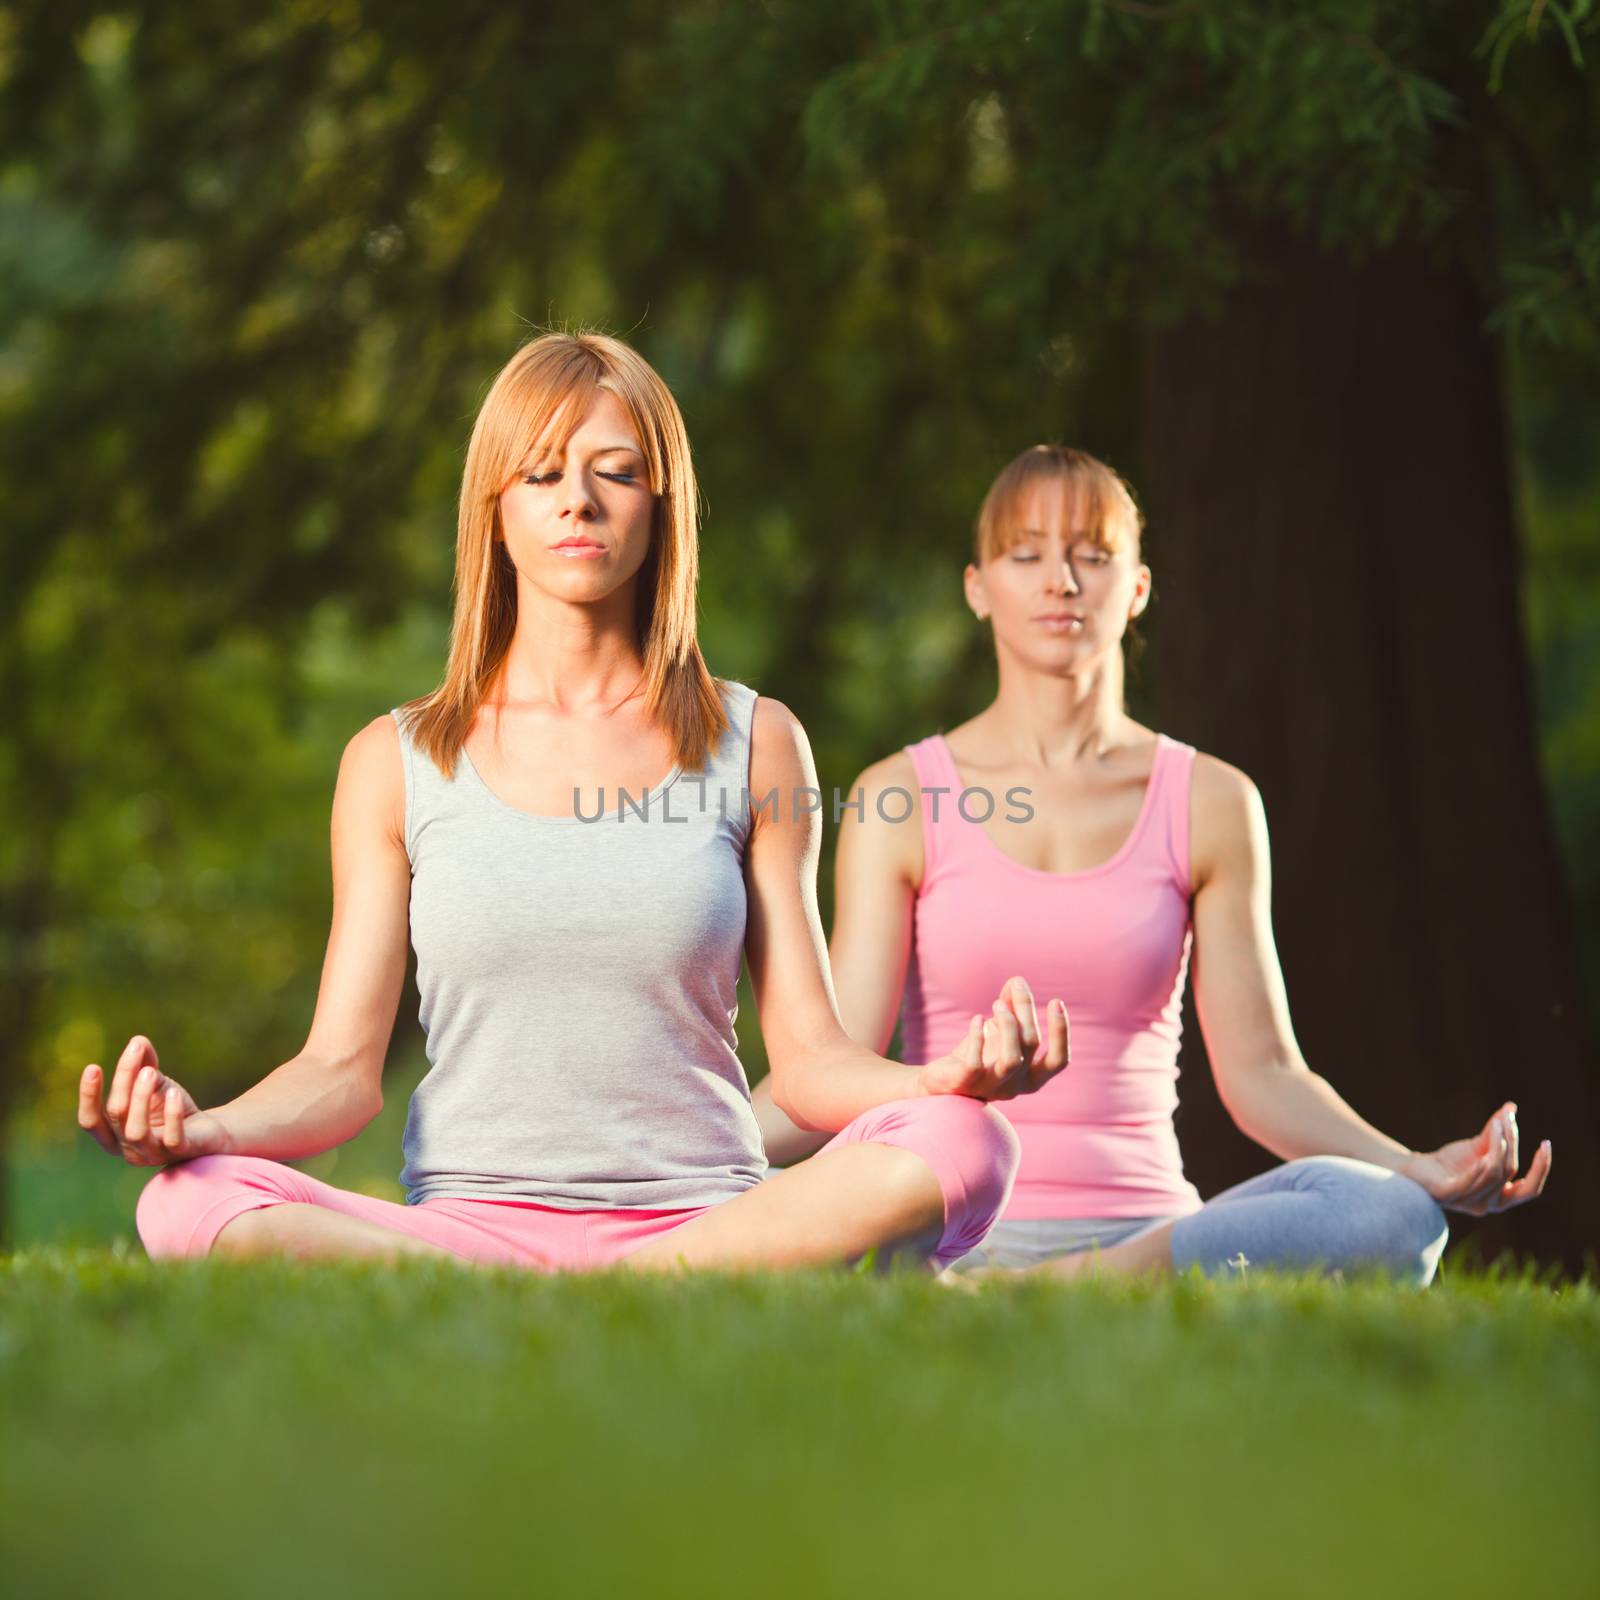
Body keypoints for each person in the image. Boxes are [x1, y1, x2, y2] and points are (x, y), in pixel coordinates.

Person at [76, 332, 1072, 1276]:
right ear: (495, 508)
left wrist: (939, 1080)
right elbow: (340, 1069)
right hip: (468, 1230)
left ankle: (645, 1279)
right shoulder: (395, 759)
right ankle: (563, 1286)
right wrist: (205, 1128)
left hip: (708, 1218)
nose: (579, 502)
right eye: (543, 472)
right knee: (184, 1198)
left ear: (661, 504)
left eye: (617, 470)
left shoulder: (756, 740)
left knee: (964, 1138)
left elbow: (808, 1059)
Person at [752, 445, 1552, 1286]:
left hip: (1146, 1239)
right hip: (944, 1219)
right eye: (1026, 555)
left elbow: (1265, 1076)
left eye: (1092, 556)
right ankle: (982, 1286)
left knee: (1395, 1217)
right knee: (754, 1212)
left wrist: (1418, 1167)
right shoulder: (904, 796)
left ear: (1135, 589)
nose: (1061, 580)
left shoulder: (1211, 800)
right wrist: (667, 1171)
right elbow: (833, 1071)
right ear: (978, 588)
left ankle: (1035, 1296)